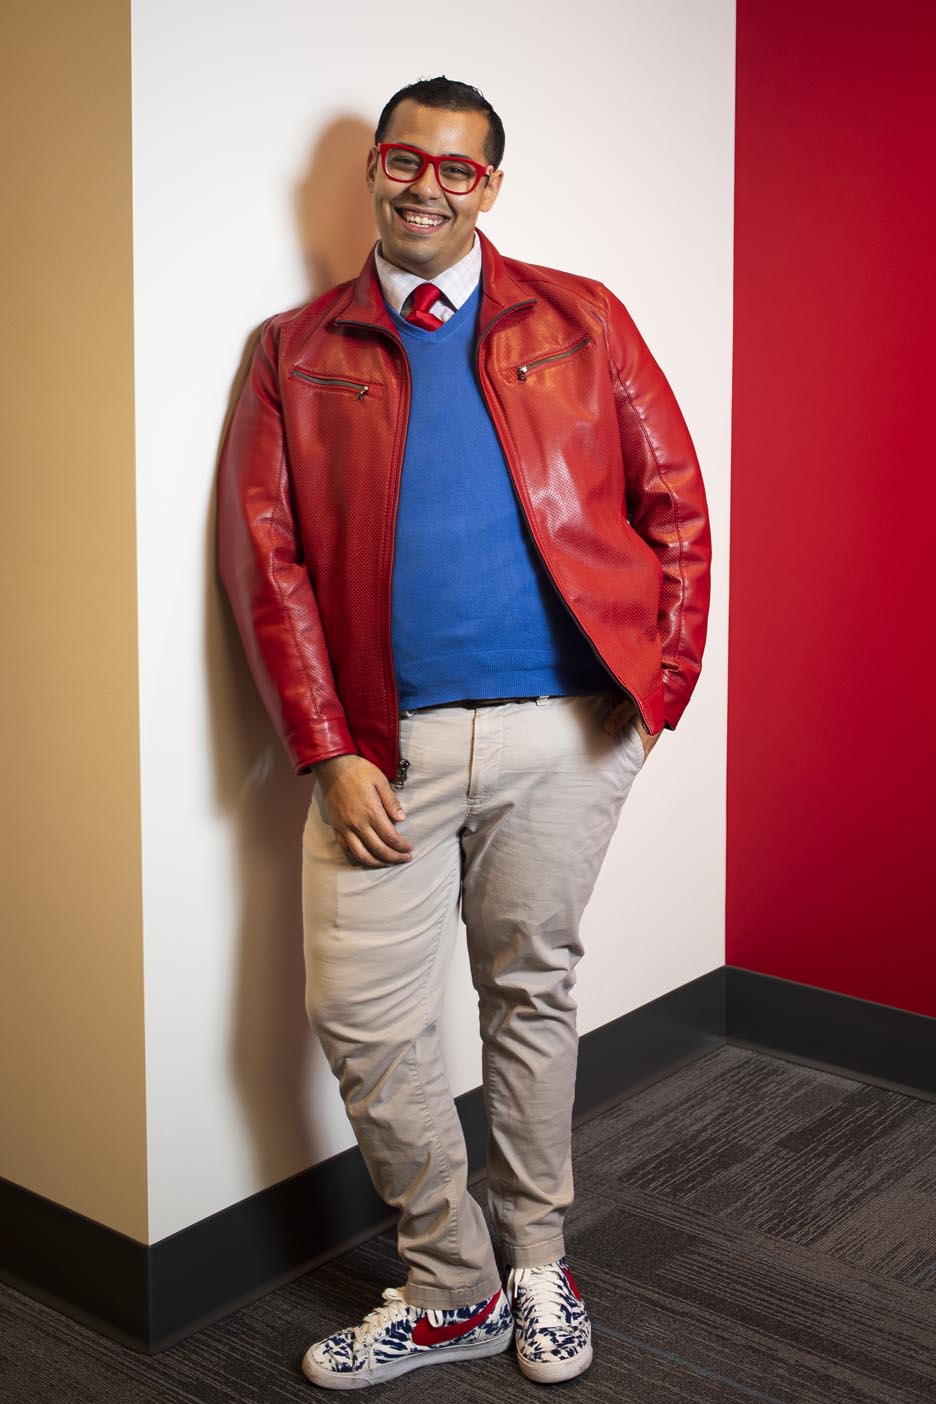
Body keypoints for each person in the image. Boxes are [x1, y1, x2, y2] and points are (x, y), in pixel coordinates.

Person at [217, 75, 710, 1390]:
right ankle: (453, 1284)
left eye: (458, 169)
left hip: (566, 735)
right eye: (405, 160)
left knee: (530, 990)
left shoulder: (581, 317)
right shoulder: (293, 350)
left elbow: (674, 502)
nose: (427, 187)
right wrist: (328, 748)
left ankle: (538, 1261)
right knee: (366, 1022)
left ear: (490, 185)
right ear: (376, 170)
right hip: (387, 752)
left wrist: (652, 697)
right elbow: (267, 562)